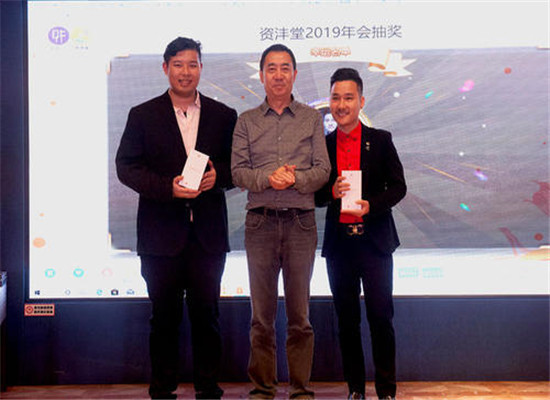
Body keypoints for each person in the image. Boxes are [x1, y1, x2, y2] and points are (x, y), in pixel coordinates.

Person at [116, 37, 237, 400]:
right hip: (160, 236)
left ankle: (208, 388)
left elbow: (236, 166)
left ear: (201, 68)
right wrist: (166, 188)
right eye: (179, 64)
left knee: (207, 316)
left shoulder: (223, 115)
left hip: (207, 236)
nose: (186, 72)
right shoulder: (143, 114)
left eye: (193, 64)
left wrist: (219, 177)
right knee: (163, 318)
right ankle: (162, 388)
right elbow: (126, 167)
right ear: (165, 67)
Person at [231, 44, 330, 399]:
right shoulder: (246, 120)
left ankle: (301, 390)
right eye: (271, 68)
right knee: (261, 317)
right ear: (261, 75)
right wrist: (268, 179)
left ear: (294, 74)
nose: (278, 75)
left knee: (300, 317)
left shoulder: (311, 118)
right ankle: (263, 389)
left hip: (301, 224)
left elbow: (323, 170)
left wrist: (295, 180)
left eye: (285, 68)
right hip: (260, 224)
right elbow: (238, 172)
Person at [315, 68, 406, 400]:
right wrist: (330, 193)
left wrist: (372, 206)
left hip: (375, 243)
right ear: (330, 101)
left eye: (349, 98)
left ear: (361, 101)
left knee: (381, 318)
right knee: (347, 321)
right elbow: (314, 195)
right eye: (336, 98)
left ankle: (386, 391)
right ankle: (355, 389)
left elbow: (398, 187)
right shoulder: (322, 146)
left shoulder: (380, 140)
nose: (342, 105)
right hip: (340, 247)